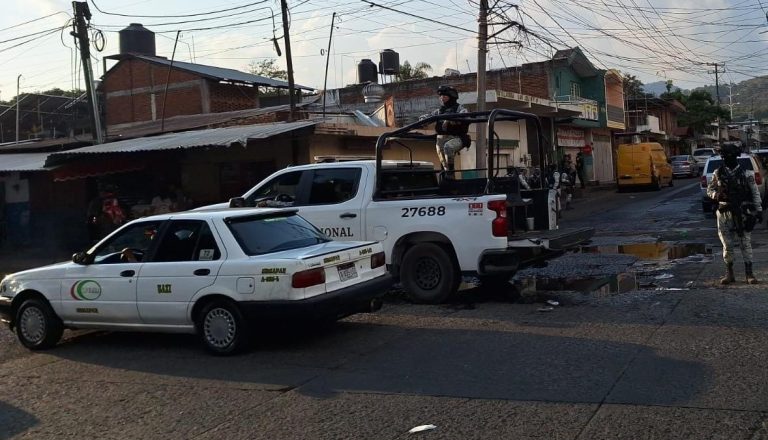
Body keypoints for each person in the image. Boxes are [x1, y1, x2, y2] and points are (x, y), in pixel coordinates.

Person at [706, 142, 763, 284]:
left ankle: (749, 274)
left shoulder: (746, 174)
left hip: (742, 212)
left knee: (745, 243)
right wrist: (716, 196)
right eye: (724, 156)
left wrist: (759, 210)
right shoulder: (717, 173)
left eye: (729, 156)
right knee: (727, 244)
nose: (726, 159)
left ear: (735, 157)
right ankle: (729, 273)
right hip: (724, 212)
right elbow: (709, 190)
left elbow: (755, 193)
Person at [420, 85, 470, 173]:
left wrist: (450, 120)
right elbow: (430, 116)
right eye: (441, 96)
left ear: (451, 97)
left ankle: (451, 171)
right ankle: (448, 174)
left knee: (448, 147)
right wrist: (423, 120)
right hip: (442, 139)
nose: (442, 98)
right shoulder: (440, 111)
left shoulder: (460, 108)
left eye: (444, 96)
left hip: (457, 138)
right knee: (443, 157)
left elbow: (465, 117)